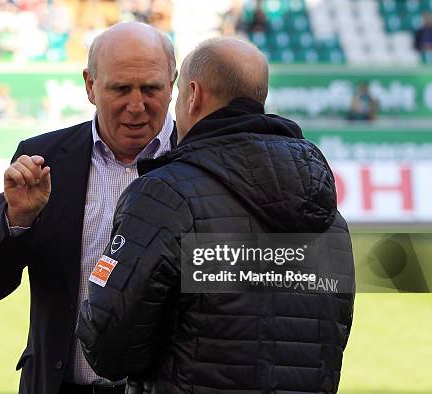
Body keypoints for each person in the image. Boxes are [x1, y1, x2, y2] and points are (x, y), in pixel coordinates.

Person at [76, 37, 355, 393]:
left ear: (194, 94)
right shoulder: (328, 215)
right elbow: (329, 339)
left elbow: (109, 347)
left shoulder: (166, 194)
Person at [0, 21, 178, 394]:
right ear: (90, 86)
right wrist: (17, 221)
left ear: (173, 83)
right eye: (121, 88)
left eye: (152, 88)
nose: (137, 105)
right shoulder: (44, 161)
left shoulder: (201, 162)